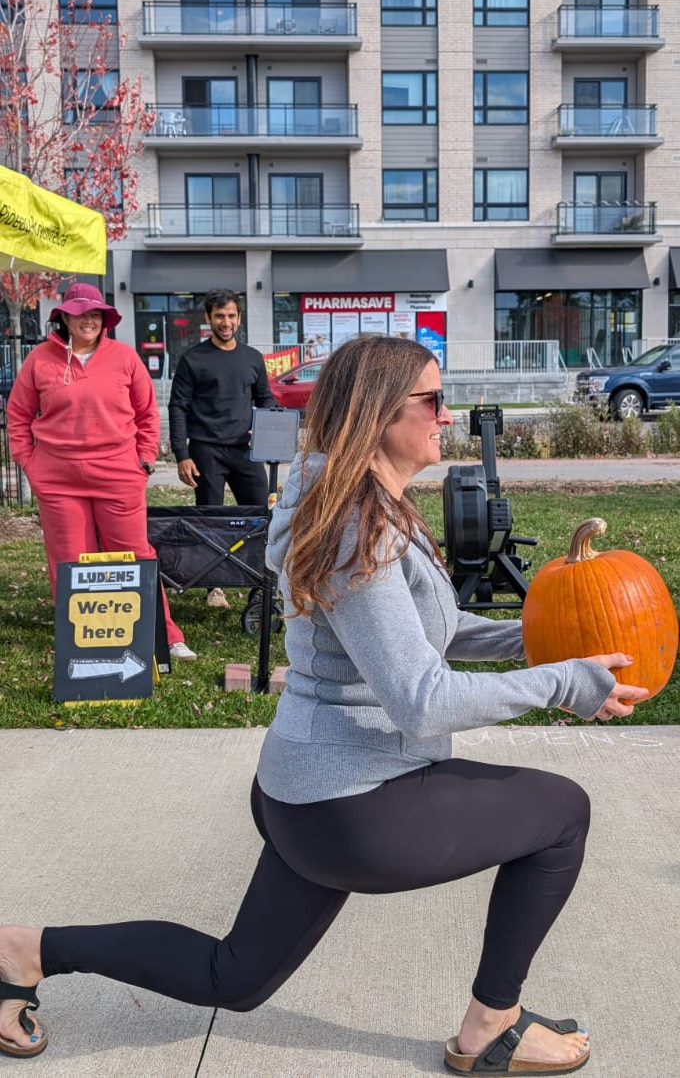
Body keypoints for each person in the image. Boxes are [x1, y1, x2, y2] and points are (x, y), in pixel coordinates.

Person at [0, 335, 647, 1071]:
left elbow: (427, 634)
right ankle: (490, 1026)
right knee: (562, 813)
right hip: (350, 806)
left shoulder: (365, 505)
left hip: (306, 795)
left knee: (234, 978)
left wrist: (543, 644)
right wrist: (568, 687)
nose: (447, 416)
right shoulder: (355, 527)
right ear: (377, 414)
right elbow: (420, 700)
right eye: (432, 401)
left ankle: (24, 951)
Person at [6, 283, 196, 662]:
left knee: (135, 555)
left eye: (95, 314)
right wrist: (31, 464)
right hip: (58, 480)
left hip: (118, 474)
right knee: (70, 560)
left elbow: (146, 415)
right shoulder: (39, 360)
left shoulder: (124, 358)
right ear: (64, 318)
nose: (88, 320)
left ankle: (165, 635)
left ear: (104, 319)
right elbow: (18, 416)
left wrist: (142, 461)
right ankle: (81, 640)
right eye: (80, 314)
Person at [168, 288, 276, 609]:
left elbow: (266, 399)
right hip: (206, 451)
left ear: (239, 318)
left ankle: (264, 579)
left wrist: (269, 425)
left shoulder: (253, 359)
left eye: (230, 315)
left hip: (245, 450)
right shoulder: (192, 360)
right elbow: (178, 407)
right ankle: (214, 587)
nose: (225, 322)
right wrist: (181, 454)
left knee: (263, 515)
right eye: (219, 316)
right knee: (210, 520)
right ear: (208, 319)